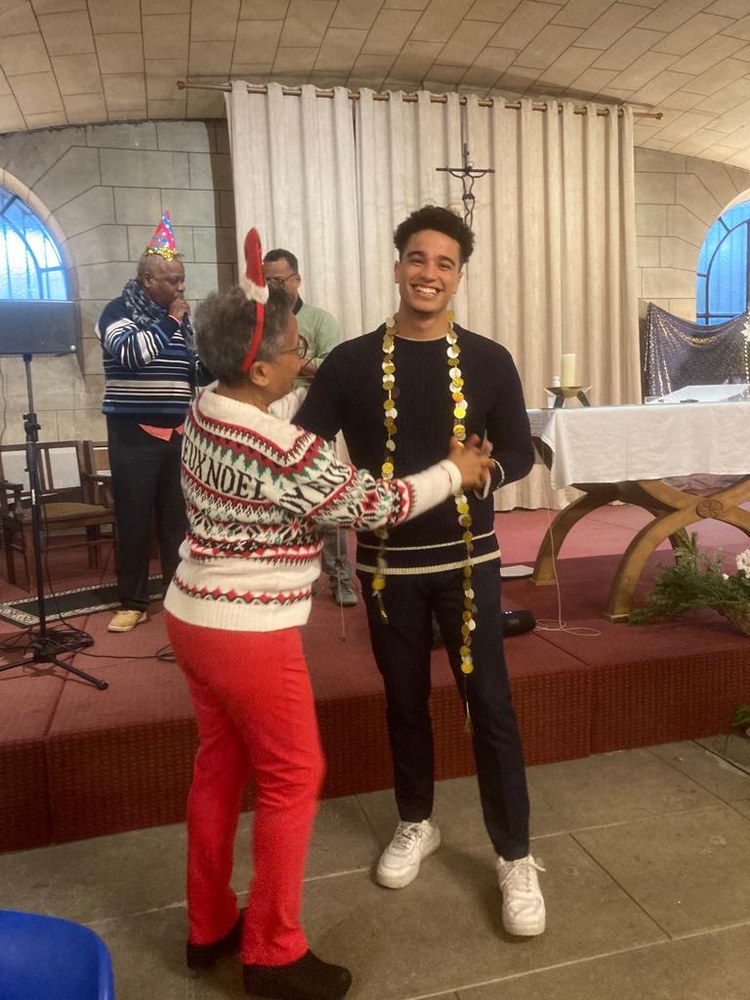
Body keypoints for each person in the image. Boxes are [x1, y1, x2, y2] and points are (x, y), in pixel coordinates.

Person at [162, 244, 491, 1000]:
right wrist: (457, 471)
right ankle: (273, 953)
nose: (303, 358)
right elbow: (376, 504)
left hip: (190, 614)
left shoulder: (204, 408)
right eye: (293, 350)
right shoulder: (283, 449)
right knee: (294, 775)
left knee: (219, 766)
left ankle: (209, 925)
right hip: (246, 630)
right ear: (259, 371)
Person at [296, 205, 546, 937]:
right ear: (398, 265)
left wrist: (488, 472)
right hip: (386, 567)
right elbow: (304, 445)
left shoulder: (490, 359)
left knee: (489, 705)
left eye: (444, 263)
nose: (428, 273)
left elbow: (521, 451)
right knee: (403, 700)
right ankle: (416, 821)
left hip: (470, 562)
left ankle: (515, 855)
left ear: (459, 277)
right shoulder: (348, 362)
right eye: (417, 258)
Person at [96, 211, 192, 633]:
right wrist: (171, 321)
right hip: (133, 435)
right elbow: (133, 355)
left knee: (177, 523)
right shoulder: (116, 313)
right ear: (148, 279)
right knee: (134, 521)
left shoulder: (180, 318)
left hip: (178, 434)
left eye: (182, 280)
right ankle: (133, 601)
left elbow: (190, 371)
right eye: (173, 280)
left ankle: (177, 597)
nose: (181, 287)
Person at [263, 248, 358, 607]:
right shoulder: (259, 321)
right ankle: (287, 574)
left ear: (297, 280)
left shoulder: (320, 320)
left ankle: (340, 574)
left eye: (279, 280)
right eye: (267, 281)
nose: (273, 288)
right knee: (276, 499)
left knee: (323, 495)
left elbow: (331, 369)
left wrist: (289, 361)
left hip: (313, 417)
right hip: (269, 418)